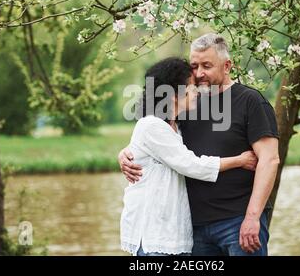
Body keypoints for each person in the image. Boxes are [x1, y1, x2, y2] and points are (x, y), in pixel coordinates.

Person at [119, 34, 280, 256]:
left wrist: (252, 217)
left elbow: (270, 160)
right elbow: (164, 144)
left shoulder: (250, 101)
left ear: (227, 66)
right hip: (192, 228)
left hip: (237, 221)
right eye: (194, 66)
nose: (199, 73)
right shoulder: (189, 104)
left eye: (207, 65)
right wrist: (126, 153)